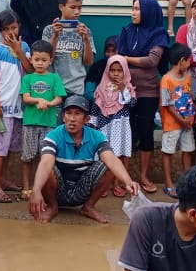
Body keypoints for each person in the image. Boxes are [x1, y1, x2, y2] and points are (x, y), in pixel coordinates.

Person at [29, 95, 139, 225]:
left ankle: (88, 207)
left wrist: (127, 181)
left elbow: (111, 159)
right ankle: (53, 206)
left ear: (87, 119)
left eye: (77, 114)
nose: (72, 119)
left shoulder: (96, 136)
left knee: (108, 166)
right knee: (48, 167)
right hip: (57, 191)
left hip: (81, 190)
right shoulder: (53, 135)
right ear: (63, 117)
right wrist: (36, 190)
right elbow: (46, 162)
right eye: (68, 113)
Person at [117, 0, 169, 193]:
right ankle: (124, 178)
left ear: (148, 11)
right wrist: (125, 60)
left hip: (148, 92)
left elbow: (152, 61)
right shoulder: (126, 31)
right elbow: (118, 61)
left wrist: (127, 59)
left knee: (146, 133)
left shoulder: (159, 33)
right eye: (133, 8)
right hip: (126, 91)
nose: (133, 12)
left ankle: (144, 176)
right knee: (126, 133)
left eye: (138, 9)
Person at [0, 10, 31, 203]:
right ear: (0, 31)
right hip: (3, 107)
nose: (10, 32)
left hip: (20, 107)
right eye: (6, 29)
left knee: (11, 147)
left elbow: (29, 69)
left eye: (14, 27)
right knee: (0, 146)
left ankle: (3, 179)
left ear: (19, 26)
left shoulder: (25, 47)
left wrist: (20, 51)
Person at [19, 40, 67, 196]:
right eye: (36, 59)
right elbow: (26, 98)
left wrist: (49, 104)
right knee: (27, 157)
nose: (40, 63)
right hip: (30, 123)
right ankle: (26, 187)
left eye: (44, 60)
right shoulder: (27, 78)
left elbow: (59, 98)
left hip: (49, 124)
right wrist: (38, 100)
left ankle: (41, 188)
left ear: (50, 61)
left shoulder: (54, 78)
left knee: (45, 157)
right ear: (31, 59)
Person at [88, 55, 134, 190]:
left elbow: (131, 103)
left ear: (125, 71)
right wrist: (92, 125)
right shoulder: (101, 87)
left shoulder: (128, 87)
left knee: (121, 153)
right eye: (112, 70)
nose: (116, 73)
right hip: (104, 126)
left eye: (119, 70)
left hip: (121, 125)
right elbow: (95, 108)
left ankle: (118, 183)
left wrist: (122, 89)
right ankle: (103, 185)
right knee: (105, 154)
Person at [159, 43, 196, 198]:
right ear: (182, 61)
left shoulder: (187, 77)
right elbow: (167, 104)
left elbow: (189, 99)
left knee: (188, 150)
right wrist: (181, 120)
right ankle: (169, 183)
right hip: (172, 124)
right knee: (168, 151)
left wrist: (190, 118)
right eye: (188, 61)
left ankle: (185, 182)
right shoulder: (166, 80)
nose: (189, 64)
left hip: (187, 123)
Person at [43, 0, 95, 98]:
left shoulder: (85, 31)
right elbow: (46, 60)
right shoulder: (49, 30)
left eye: (80, 8)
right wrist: (55, 36)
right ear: (61, 7)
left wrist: (86, 39)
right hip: (53, 88)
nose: (77, 12)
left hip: (76, 89)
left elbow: (88, 63)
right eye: (73, 7)